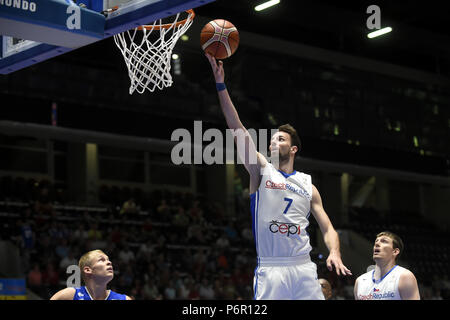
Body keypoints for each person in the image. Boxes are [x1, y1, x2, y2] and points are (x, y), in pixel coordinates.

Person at [205, 53, 351, 300]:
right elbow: (236, 126)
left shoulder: (308, 184)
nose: (274, 142)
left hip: (304, 267)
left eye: (280, 139)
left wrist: (334, 251)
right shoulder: (260, 170)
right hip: (272, 267)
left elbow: (328, 228)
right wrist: (221, 85)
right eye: (272, 139)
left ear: (293, 149)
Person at [354, 231, 420, 300]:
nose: (377, 243)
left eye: (384, 241)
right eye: (376, 241)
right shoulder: (360, 281)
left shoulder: (404, 277)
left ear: (395, 251)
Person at [50, 249, 132, 300]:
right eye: (101, 260)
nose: (109, 262)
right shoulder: (69, 295)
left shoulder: (124, 299)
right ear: (88, 270)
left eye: (108, 260)